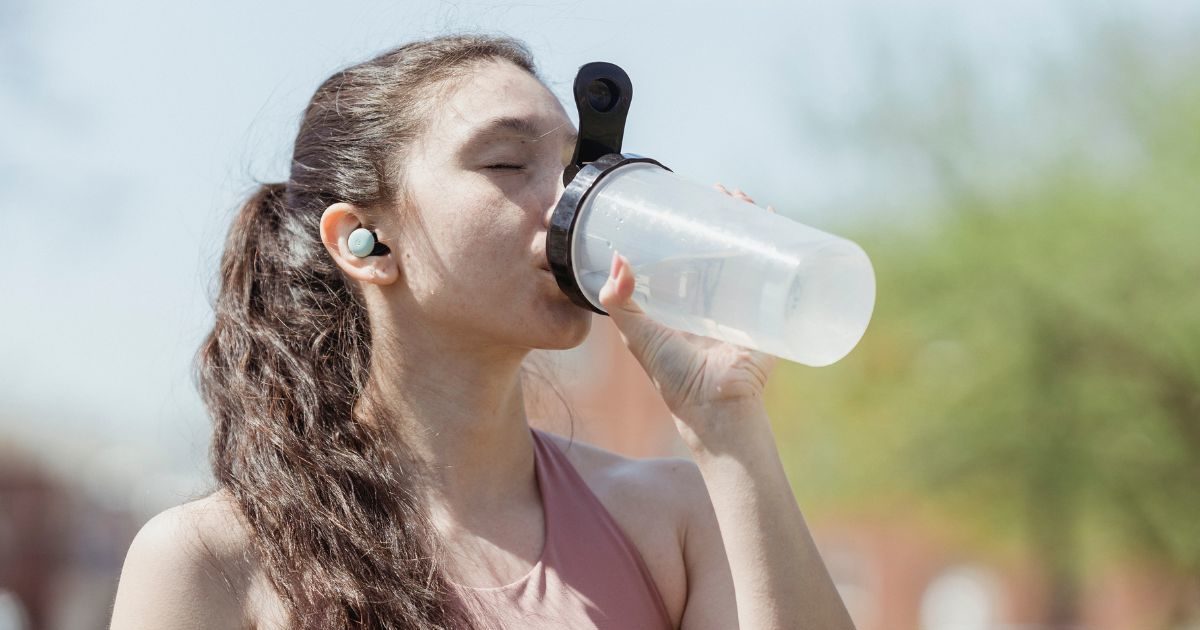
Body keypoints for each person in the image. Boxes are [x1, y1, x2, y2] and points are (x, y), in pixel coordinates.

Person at [108, 34, 855, 630]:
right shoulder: (212, 560)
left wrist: (730, 427)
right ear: (364, 239)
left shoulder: (669, 516)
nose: (570, 200)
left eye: (574, 163)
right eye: (506, 162)